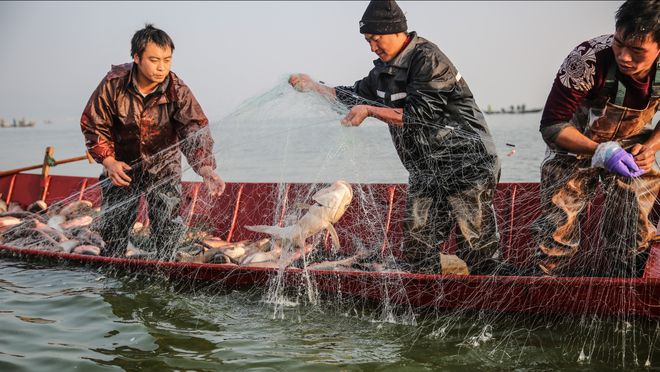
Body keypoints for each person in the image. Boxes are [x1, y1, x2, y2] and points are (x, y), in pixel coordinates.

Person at [289, 0, 504, 275]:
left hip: (467, 165)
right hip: (426, 171)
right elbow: (350, 96)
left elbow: (419, 116)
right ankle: (427, 306)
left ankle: (495, 303)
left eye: (376, 39)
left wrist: (369, 110)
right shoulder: (382, 72)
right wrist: (313, 87)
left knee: (477, 250)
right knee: (417, 251)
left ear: (395, 31)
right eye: (367, 41)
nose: (372, 47)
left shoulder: (428, 59)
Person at [531, 0, 659, 277]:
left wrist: (649, 148)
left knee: (635, 213)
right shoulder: (587, 59)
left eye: (637, 50)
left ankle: (627, 280)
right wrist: (601, 151)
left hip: (631, 143)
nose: (624, 56)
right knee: (559, 218)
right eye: (619, 43)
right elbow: (552, 125)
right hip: (574, 142)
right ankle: (546, 285)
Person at [80, 24, 225, 258]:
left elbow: (194, 128)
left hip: (164, 167)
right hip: (122, 168)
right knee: (114, 228)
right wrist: (108, 161)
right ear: (136, 57)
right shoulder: (113, 84)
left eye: (167, 60)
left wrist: (205, 168)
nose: (161, 68)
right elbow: (94, 124)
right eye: (154, 60)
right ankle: (114, 272)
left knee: (168, 229)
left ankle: (164, 273)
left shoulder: (176, 88)